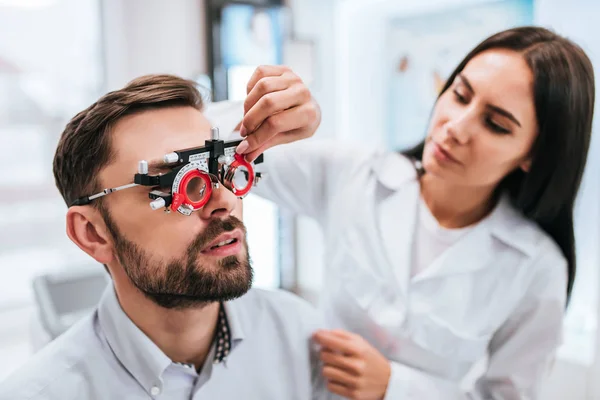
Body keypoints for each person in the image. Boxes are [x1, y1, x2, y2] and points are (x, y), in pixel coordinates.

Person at [231, 26, 596, 399]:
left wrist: (395, 387)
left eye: (495, 124)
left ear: (533, 155)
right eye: (460, 94)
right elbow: (204, 148)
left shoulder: (538, 267)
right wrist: (273, 119)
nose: (456, 127)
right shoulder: (355, 174)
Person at [0, 74, 329, 400]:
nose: (225, 201)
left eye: (223, 168)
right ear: (93, 234)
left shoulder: (299, 337)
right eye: (175, 183)